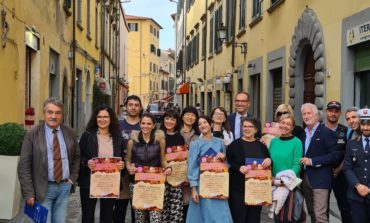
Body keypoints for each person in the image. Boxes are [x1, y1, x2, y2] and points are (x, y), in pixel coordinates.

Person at [18, 97, 80, 223]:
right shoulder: (33, 134)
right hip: (42, 189)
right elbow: (24, 166)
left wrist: (72, 179)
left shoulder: (70, 132)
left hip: (64, 187)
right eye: (50, 112)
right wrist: (28, 192)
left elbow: (77, 157)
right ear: (44, 113)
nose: (53, 116)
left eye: (57, 113)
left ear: (62, 115)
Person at [78, 105, 125, 223]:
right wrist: (85, 163)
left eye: (105, 117)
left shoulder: (118, 138)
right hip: (89, 182)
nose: (102, 119)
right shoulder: (87, 135)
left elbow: (122, 160)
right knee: (88, 217)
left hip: (110, 183)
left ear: (111, 119)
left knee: (107, 217)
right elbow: (78, 157)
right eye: (99, 117)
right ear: (95, 118)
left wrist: (121, 166)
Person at [125, 113, 172, 223]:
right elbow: (128, 159)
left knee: (155, 218)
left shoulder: (160, 141)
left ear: (154, 125)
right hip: (137, 184)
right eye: (143, 123)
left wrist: (169, 168)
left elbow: (163, 160)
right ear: (140, 124)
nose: (145, 126)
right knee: (140, 218)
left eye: (148, 124)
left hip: (156, 184)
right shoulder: (132, 142)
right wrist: (129, 167)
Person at [299, 103, 341, 223]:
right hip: (305, 178)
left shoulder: (326, 132)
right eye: (304, 114)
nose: (306, 116)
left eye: (309, 113)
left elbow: (335, 155)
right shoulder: (303, 133)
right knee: (311, 212)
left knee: (320, 215)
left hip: (321, 179)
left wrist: (312, 161)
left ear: (317, 116)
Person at [186, 115, 233, 223]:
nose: (202, 125)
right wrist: (193, 188)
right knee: (202, 216)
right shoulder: (195, 144)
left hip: (218, 185)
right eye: (199, 124)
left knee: (221, 215)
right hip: (202, 185)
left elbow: (225, 166)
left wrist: (224, 157)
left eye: (204, 122)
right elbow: (192, 166)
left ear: (211, 124)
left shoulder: (220, 142)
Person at [226, 117, 271, 223]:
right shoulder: (235, 145)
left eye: (250, 126)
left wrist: (269, 160)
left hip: (256, 189)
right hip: (238, 189)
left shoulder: (262, 146)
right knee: (239, 217)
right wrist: (238, 167)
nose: (246, 129)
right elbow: (227, 163)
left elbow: (267, 163)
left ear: (256, 129)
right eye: (244, 126)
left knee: (254, 218)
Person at [114, 95, 142, 223]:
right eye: (130, 105)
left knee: (137, 210)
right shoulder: (118, 126)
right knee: (119, 209)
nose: (133, 108)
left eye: (136, 105)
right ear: (126, 107)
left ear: (140, 107)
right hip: (121, 172)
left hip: (140, 172)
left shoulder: (146, 124)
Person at [324, 101, 351, 223]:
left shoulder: (346, 131)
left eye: (336, 111)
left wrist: (338, 170)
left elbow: (348, 154)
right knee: (322, 209)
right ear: (326, 112)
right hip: (322, 174)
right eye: (330, 111)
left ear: (339, 113)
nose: (333, 114)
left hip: (341, 175)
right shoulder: (319, 130)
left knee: (345, 207)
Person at [344, 108, 370, 223]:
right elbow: (347, 168)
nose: (366, 128)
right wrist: (358, 185)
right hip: (356, 195)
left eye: (369, 124)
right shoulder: (352, 143)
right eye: (363, 124)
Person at [160, 109, 186, 223]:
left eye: (172, 119)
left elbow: (182, 159)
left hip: (176, 178)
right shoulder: (157, 135)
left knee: (175, 212)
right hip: (161, 177)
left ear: (176, 122)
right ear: (163, 120)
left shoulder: (180, 138)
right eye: (167, 118)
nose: (169, 121)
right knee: (162, 208)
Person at [180, 106, 200, 220]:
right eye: (187, 114)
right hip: (176, 177)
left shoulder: (199, 135)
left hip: (192, 177)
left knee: (189, 208)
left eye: (192, 115)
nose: (190, 117)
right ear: (182, 116)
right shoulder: (176, 132)